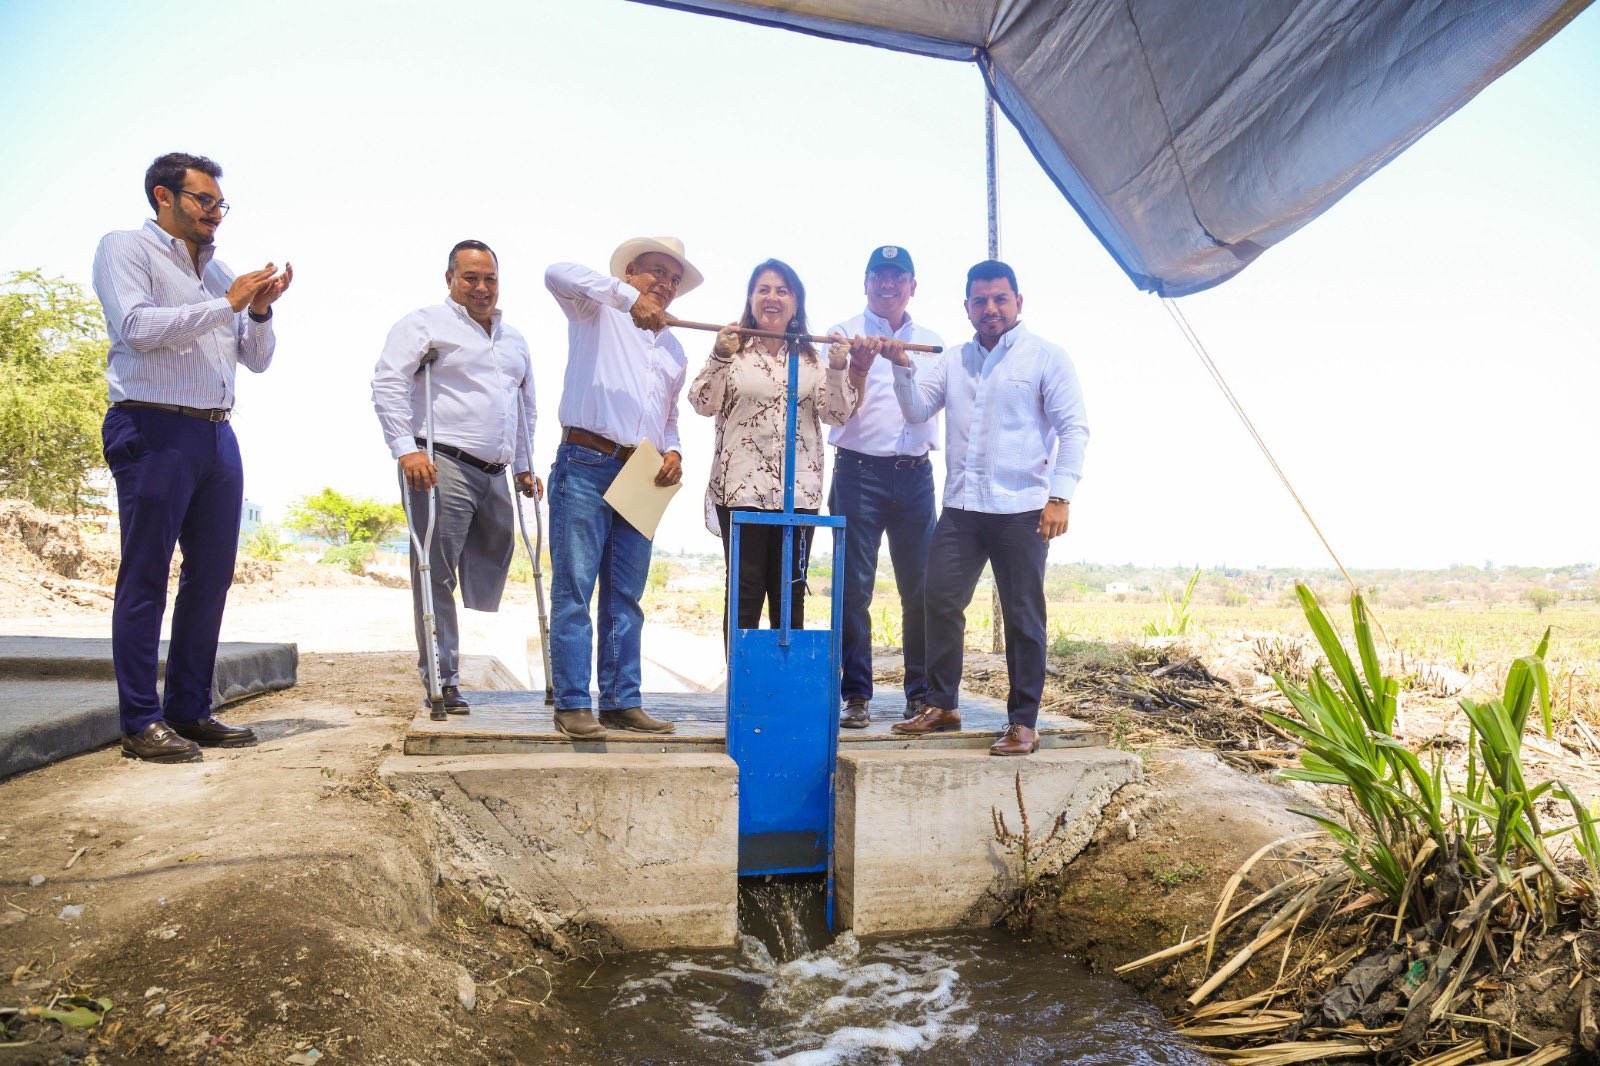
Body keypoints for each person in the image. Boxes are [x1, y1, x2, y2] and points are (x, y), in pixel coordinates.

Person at [91, 151, 292, 763]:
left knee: (211, 576)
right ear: (164, 196)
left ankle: (189, 709)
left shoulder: (218, 271)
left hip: (215, 434)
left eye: (220, 203)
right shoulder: (125, 248)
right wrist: (227, 304)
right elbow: (137, 327)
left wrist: (259, 309)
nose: (215, 213)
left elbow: (256, 360)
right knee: (146, 574)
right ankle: (139, 721)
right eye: (204, 200)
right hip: (152, 426)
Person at [884, 260, 1088, 756]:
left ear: (1018, 301)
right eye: (980, 301)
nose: (990, 308)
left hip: (1023, 508)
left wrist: (1060, 496)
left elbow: (1074, 429)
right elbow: (916, 410)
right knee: (937, 600)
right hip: (962, 507)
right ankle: (942, 705)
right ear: (967, 307)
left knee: (1023, 616)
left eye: (1000, 299)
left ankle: (1023, 722)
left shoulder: (1046, 357)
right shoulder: (953, 360)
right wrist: (902, 365)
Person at [372, 241, 538, 719]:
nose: (482, 287)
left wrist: (524, 464)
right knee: (435, 572)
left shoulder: (514, 339)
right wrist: (406, 449)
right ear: (450, 279)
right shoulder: (424, 324)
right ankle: (443, 679)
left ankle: (453, 650)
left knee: (494, 558)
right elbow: (388, 382)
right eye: (470, 277)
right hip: (439, 461)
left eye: (490, 278)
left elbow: (525, 405)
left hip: (495, 469)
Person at [543, 238, 697, 739]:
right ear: (630, 271)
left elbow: (668, 418)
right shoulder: (596, 310)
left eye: (674, 279)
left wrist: (673, 451)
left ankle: (621, 701)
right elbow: (556, 272)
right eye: (657, 272)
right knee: (575, 588)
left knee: (626, 596)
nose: (666, 284)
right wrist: (630, 301)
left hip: (642, 474)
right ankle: (572, 703)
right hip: (586, 460)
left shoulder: (674, 348)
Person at [691, 259, 855, 636]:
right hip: (742, 490)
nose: (772, 297)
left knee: (790, 595)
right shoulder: (733, 352)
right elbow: (702, 403)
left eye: (783, 291)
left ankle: (785, 676)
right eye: (763, 289)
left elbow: (837, 414)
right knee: (745, 594)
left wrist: (838, 367)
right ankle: (742, 675)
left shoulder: (813, 359)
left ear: (796, 304)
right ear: (750, 299)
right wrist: (719, 356)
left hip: (798, 492)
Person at [825, 246, 943, 729]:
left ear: (913, 285)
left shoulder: (934, 343)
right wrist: (856, 365)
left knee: (921, 589)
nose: (888, 284)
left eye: (898, 276)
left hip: (915, 474)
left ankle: (921, 695)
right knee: (853, 590)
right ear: (866, 283)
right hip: (857, 472)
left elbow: (932, 405)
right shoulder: (842, 333)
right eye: (879, 275)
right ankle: (856, 695)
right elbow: (832, 407)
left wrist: (902, 364)